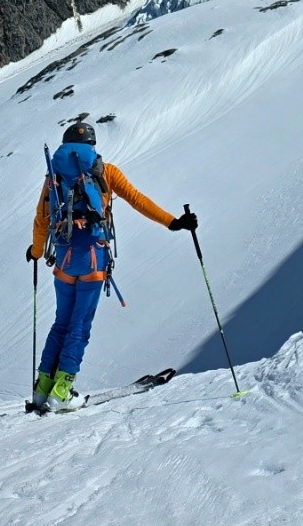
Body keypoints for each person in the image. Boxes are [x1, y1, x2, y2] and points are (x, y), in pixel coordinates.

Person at [26, 121, 197, 411]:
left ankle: (43, 389)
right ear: (92, 147)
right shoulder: (105, 171)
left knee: (62, 323)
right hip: (93, 259)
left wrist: (37, 249)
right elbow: (137, 199)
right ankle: (62, 391)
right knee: (80, 326)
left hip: (64, 262)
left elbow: (42, 217)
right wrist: (172, 222)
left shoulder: (53, 176)